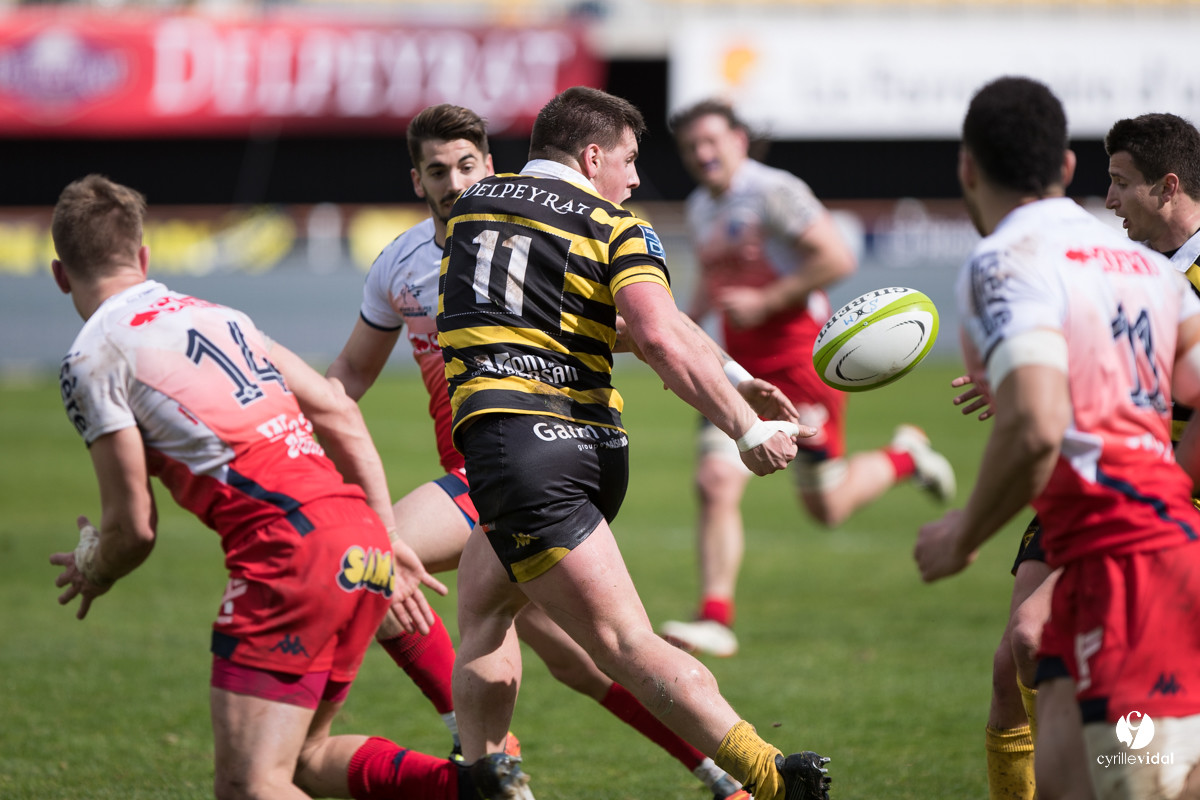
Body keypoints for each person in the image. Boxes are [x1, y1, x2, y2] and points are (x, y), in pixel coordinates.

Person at [46, 173, 529, 800]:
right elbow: (338, 411)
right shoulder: (219, 316)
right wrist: (385, 533)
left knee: (250, 784)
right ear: (142, 255)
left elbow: (132, 528)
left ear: (60, 275)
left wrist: (95, 568)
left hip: (287, 556)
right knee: (303, 757)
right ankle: (471, 785)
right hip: (358, 533)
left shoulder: (91, 357)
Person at [327, 102, 756, 800]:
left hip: (504, 467)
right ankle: (722, 777)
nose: (454, 181)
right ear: (417, 180)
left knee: (370, 564)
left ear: (492, 167)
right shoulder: (400, 264)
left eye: (468, 165)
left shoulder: (533, 237)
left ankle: (483, 767)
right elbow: (349, 376)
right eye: (437, 170)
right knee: (580, 661)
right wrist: (305, 435)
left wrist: (734, 381)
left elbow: (644, 328)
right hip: (492, 470)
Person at [437, 85, 832, 800]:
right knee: (484, 611)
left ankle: (771, 777)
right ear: (592, 157)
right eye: (629, 159)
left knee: (622, 643)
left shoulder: (471, 208)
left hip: (519, 451)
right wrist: (740, 391)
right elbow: (655, 326)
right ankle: (483, 778)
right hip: (573, 450)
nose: (636, 178)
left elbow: (650, 333)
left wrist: (742, 425)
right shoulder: (614, 225)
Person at [914, 77, 1200, 800]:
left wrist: (963, 534)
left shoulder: (1004, 262)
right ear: (1067, 170)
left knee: (1141, 785)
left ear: (967, 169)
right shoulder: (1138, 268)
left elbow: (1036, 427)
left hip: (1125, 566)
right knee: (1084, 775)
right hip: (1126, 553)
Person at [658, 99, 957, 658]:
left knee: (828, 507)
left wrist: (768, 298)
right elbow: (714, 283)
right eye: (691, 147)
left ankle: (905, 456)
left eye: (711, 141)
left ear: (740, 141)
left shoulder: (774, 191)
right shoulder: (702, 206)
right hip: (740, 370)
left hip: (801, 363)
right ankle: (716, 617)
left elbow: (837, 257)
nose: (702, 154)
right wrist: (681, 338)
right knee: (716, 481)